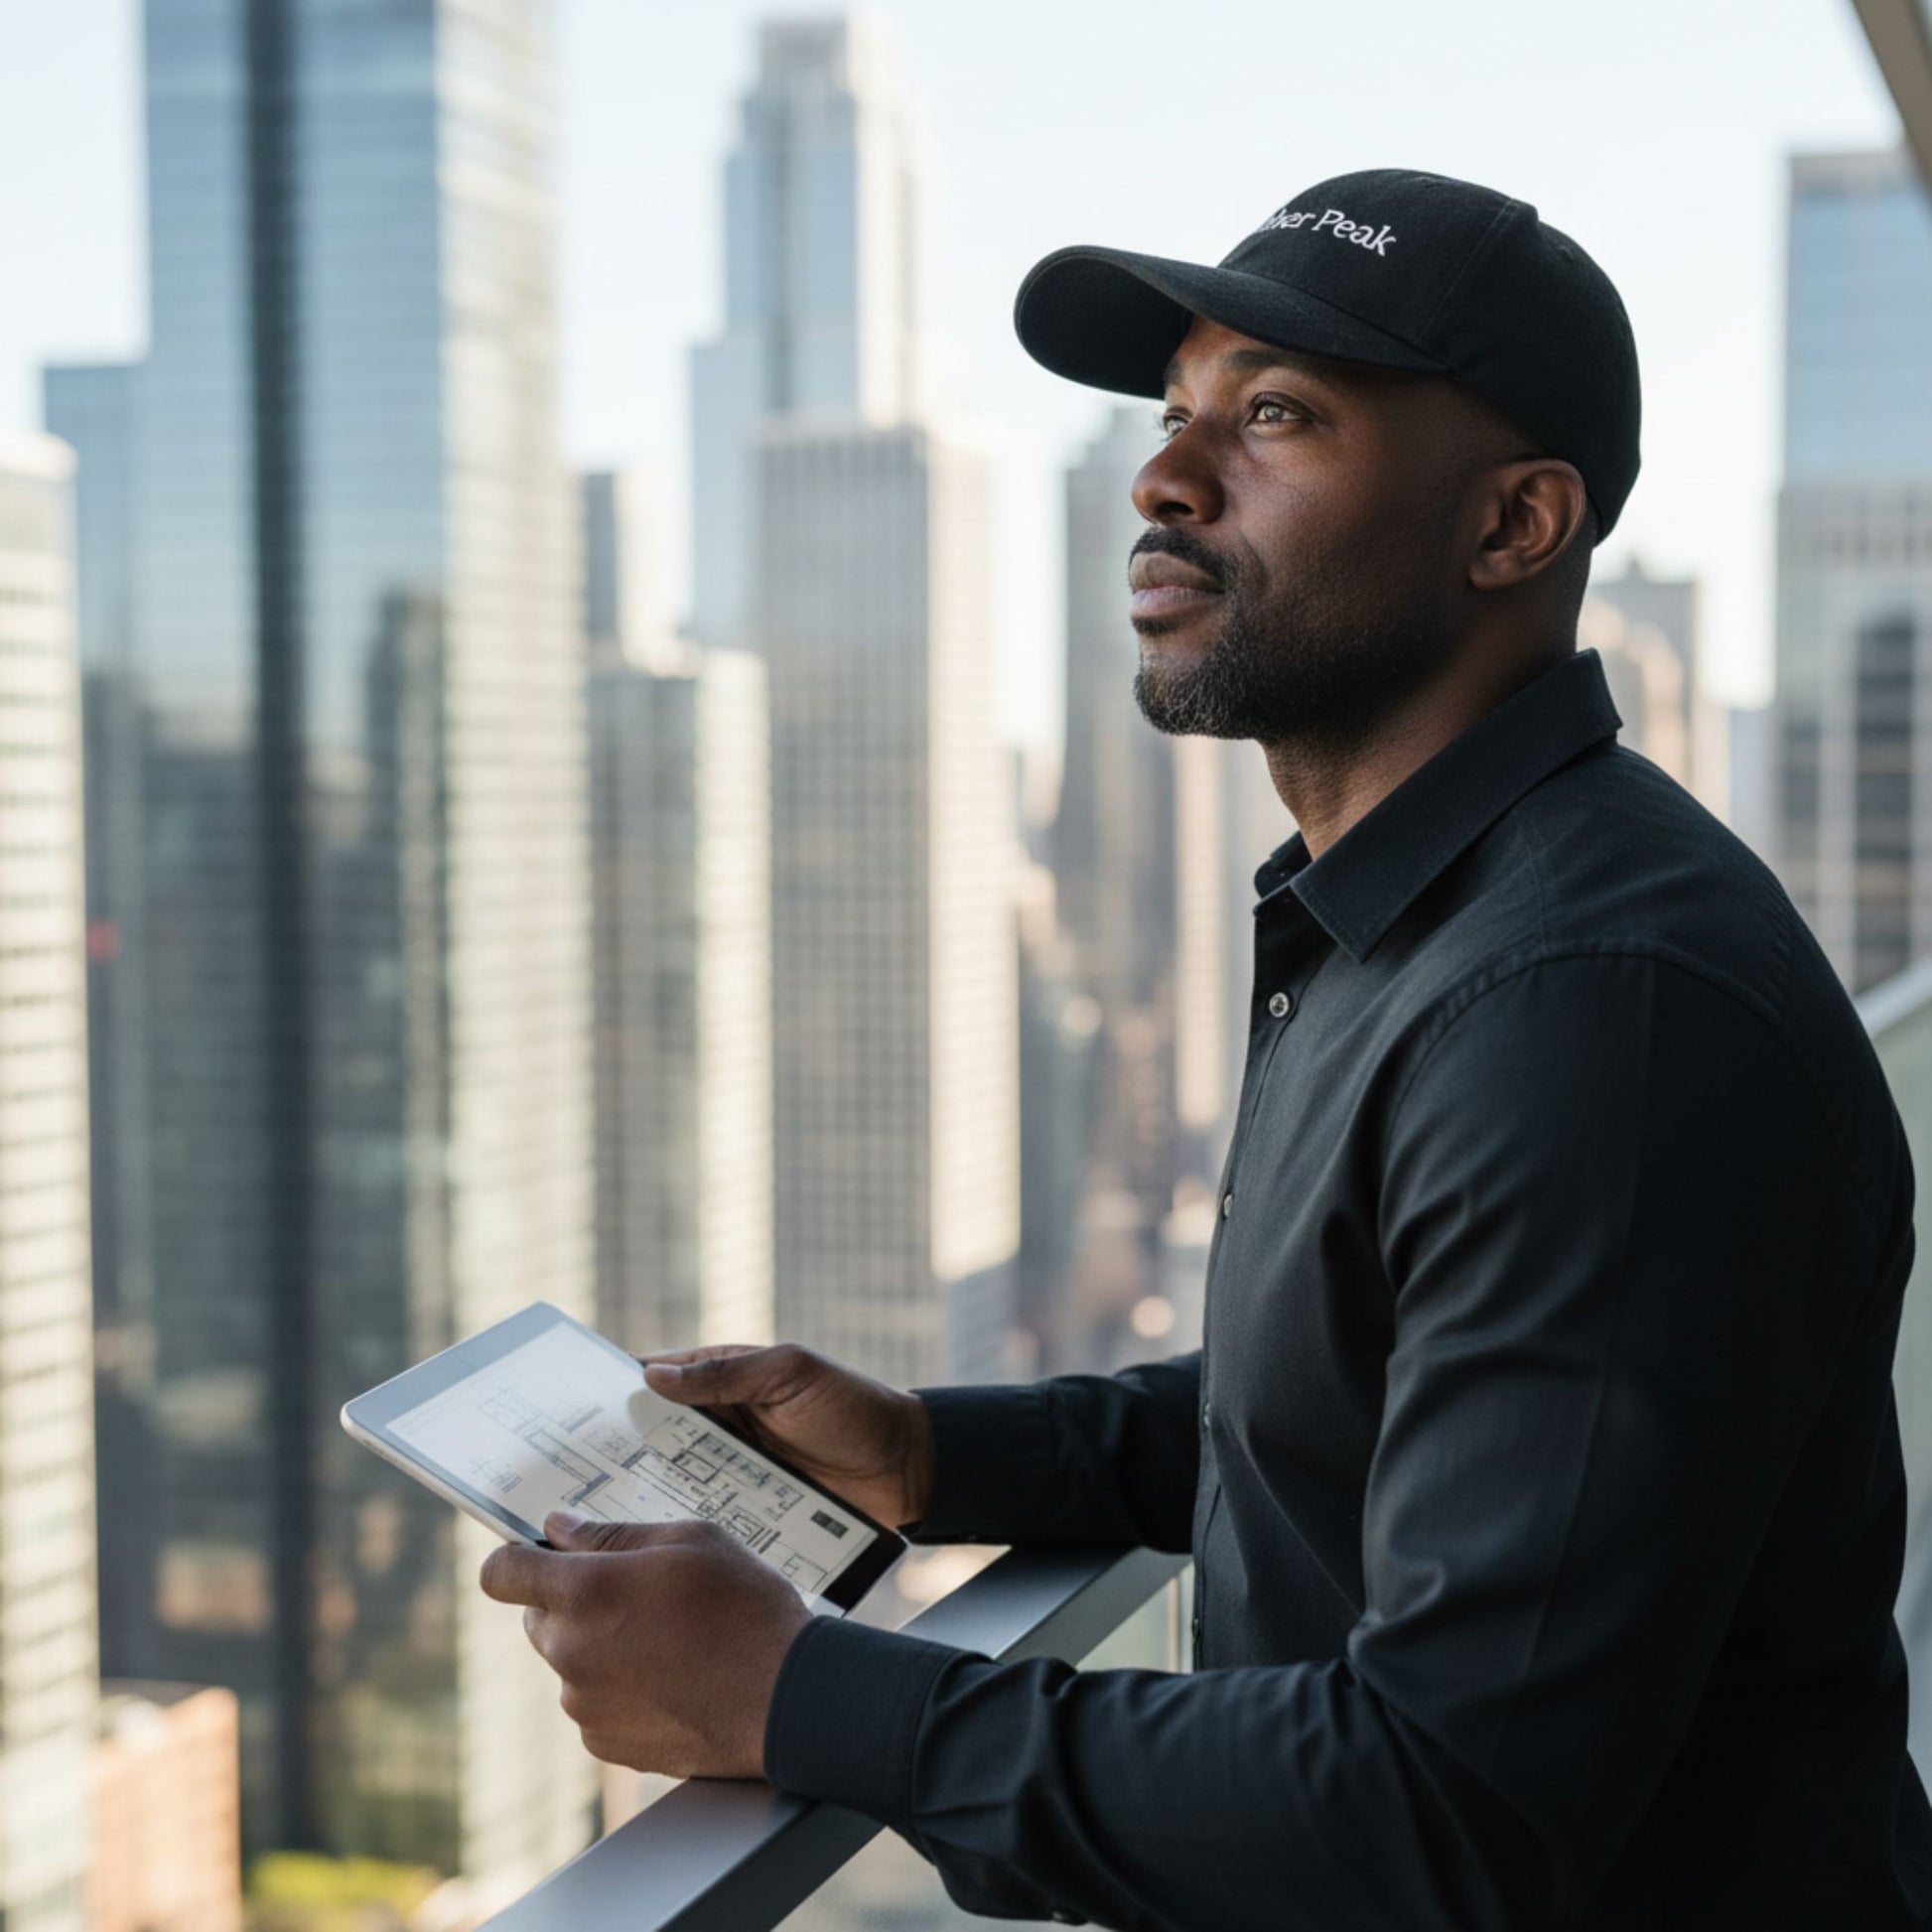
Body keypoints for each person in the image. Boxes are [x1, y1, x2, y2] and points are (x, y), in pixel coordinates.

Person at [480, 169, 1932, 1928]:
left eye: (1275, 417)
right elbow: (1381, 1395)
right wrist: (940, 1457)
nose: (1165, 477)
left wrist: (798, 1694)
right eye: (1174, 415)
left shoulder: (1590, 1011)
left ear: (1513, 525)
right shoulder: (1414, 918)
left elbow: (1442, 1813)